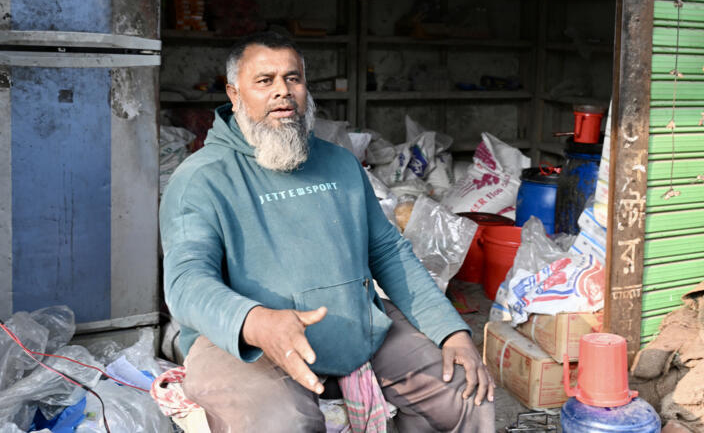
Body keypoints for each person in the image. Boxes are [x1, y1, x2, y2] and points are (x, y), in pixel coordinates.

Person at [160, 31, 495, 432]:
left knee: (464, 388)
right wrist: (256, 321)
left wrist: (450, 330)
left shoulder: (339, 163)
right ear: (234, 95)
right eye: (264, 81)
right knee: (281, 423)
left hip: (353, 319)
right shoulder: (201, 179)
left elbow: (389, 253)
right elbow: (186, 283)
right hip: (241, 341)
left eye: (293, 78)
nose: (282, 92)